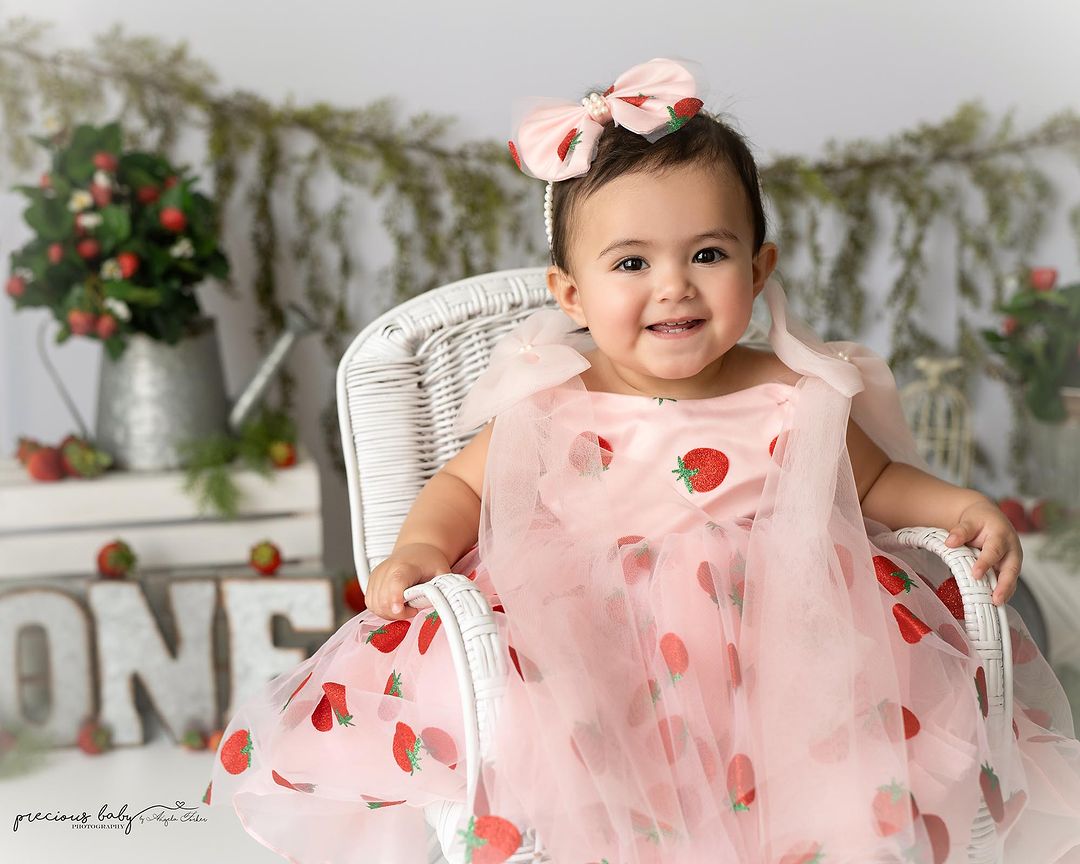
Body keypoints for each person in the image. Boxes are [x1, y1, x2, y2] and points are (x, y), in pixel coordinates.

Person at [204, 58, 1080, 863]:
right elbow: (463, 483)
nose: (674, 285)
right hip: (592, 632)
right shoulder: (555, 396)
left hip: (778, 642)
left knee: (843, 739)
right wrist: (423, 548)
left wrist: (960, 507)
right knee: (537, 700)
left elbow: (879, 483)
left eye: (708, 254)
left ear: (759, 267)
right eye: (632, 262)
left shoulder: (795, 392)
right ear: (572, 294)